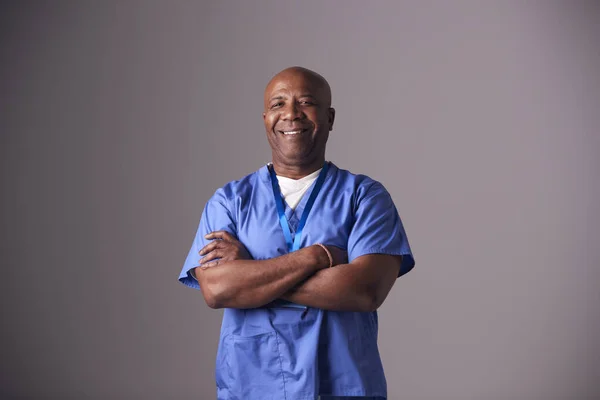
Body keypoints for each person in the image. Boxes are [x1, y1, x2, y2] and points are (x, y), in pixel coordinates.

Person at [178, 66, 415, 400]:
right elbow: (217, 290)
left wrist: (252, 273)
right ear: (265, 119)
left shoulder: (365, 197)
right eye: (278, 105)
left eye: (305, 102)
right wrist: (317, 257)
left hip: (343, 387)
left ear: (329, 118)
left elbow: (365, 290)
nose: (291, 114)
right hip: (253, 387)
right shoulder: (230, 201)